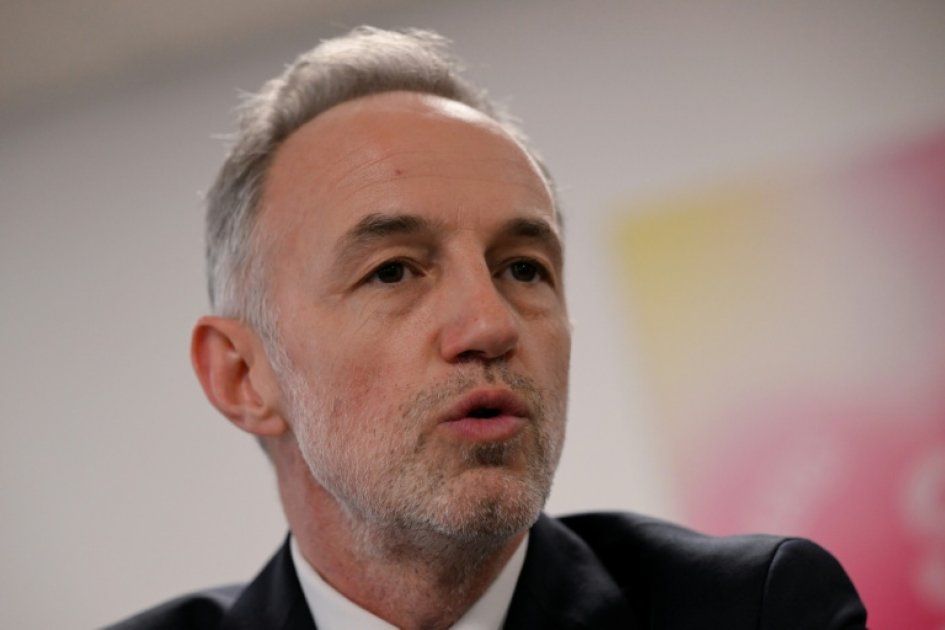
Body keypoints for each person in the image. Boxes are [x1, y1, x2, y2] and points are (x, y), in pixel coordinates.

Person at [109, 26, 867, 630]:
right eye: (393, 271)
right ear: (243, 377)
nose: (490, 324)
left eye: (523, 269)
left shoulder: (755, 611)